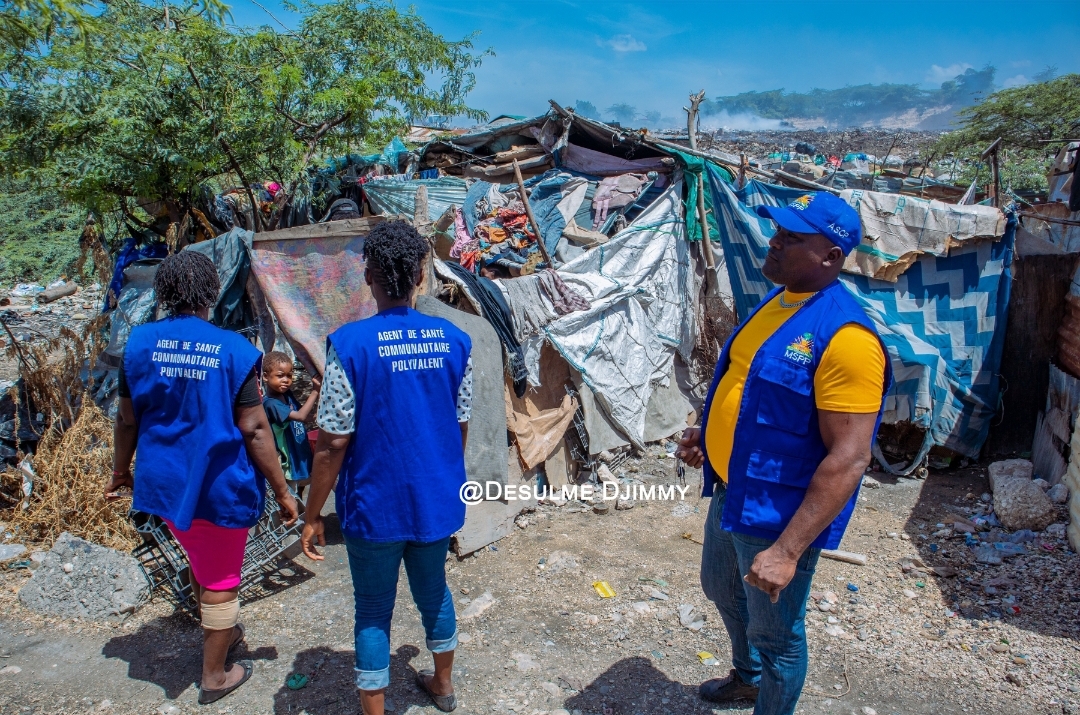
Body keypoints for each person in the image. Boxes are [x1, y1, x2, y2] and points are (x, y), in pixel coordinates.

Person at [676, 192, 893, 715]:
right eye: (777, 231)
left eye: (792, 238)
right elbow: (747, 385)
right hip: (735, 490)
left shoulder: (847, 338)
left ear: (831, 256)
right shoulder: (780, 301)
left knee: (778, 637)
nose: (773, 242)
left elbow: (849, 458)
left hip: (778, 513)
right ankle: (747, 679)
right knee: (721, 590)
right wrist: (706, 434)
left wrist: (788, 551)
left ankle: (768, 694)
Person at [106, 251, 299, 705]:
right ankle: (214, 675)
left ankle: (223, 631)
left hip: (164, 486)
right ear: (211, 293)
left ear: (165, 293)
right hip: (216, 486)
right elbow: (254, 428)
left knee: (201, 562)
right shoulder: (234, 350)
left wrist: (119, 471)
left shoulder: (139, 344)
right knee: (221, 580)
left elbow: (127, 420)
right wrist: (284, 491)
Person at [300, 220, 473, 715]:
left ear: (369, 276)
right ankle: (442, 686)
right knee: (433, 592)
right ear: (421, 275)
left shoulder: (349, 345)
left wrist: (313, 514)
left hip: (374, 505)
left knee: (373, 609)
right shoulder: (455, 340)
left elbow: (332, 442)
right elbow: (457, 426)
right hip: (435, 498)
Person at [262, 351, 321, 498]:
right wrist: (315, 391)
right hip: (289, 461)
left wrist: (313, 417)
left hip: (299, 452)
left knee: (301, 490)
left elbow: (301, 415)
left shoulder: (286, 395)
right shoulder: (271, 403)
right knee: (291, 496)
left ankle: (304, 515)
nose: (286, 380)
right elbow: (300, 416)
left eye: (289, 375)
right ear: (265, 376)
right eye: (280, 375)